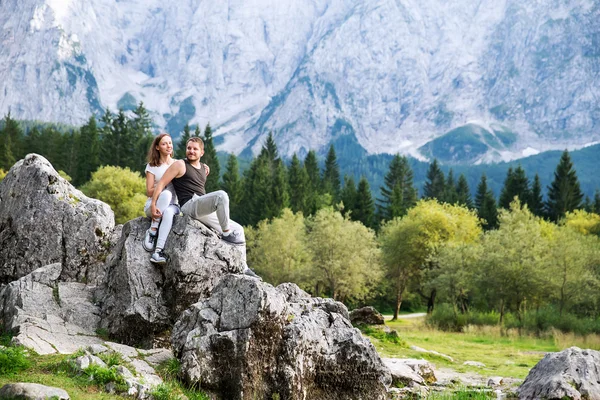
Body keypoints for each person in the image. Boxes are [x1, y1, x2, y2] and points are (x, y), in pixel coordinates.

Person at [151, 136, 259, 278]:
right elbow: (161, 183)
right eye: (189, 148)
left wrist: (205, 168)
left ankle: (243, 268)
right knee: (221, 196)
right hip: (189, 205)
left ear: (202, 152)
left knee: (239, 230)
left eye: (195, 149)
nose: (191, 151)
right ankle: (226, 234)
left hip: (201, 207)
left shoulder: (203, 168)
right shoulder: (180, 165)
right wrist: (153, 204)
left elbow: (198, 185)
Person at [143, 133, 193, 264]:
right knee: (166, 194)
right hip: (154, 205)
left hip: (172, 206)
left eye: (170, 143)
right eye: (164, 143)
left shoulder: (178, 164)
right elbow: (149, 191)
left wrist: (205, 167)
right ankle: (152, 231)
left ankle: (158, 251)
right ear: (158, 147)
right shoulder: (152, 166)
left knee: (169, 212)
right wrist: (162, 186)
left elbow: (194, 165)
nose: (168, 146)